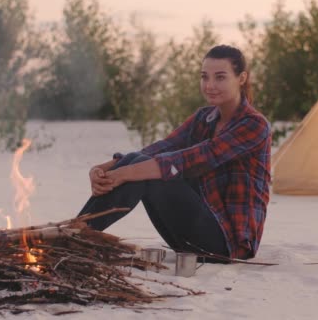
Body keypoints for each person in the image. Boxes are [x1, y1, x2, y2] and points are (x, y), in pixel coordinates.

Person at [77, 44, 271, 261]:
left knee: (148, 171)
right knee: (139, 163)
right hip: (190, 236)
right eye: (204, 77)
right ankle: (76, 231)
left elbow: (193, 158)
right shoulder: (203, 118)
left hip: (226, 245)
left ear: (241, 78)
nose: (210, 85)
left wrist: (124, 173)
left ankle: (76, 235)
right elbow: (163, 147)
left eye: (220, 77)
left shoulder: (254, 125)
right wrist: (106, 167)